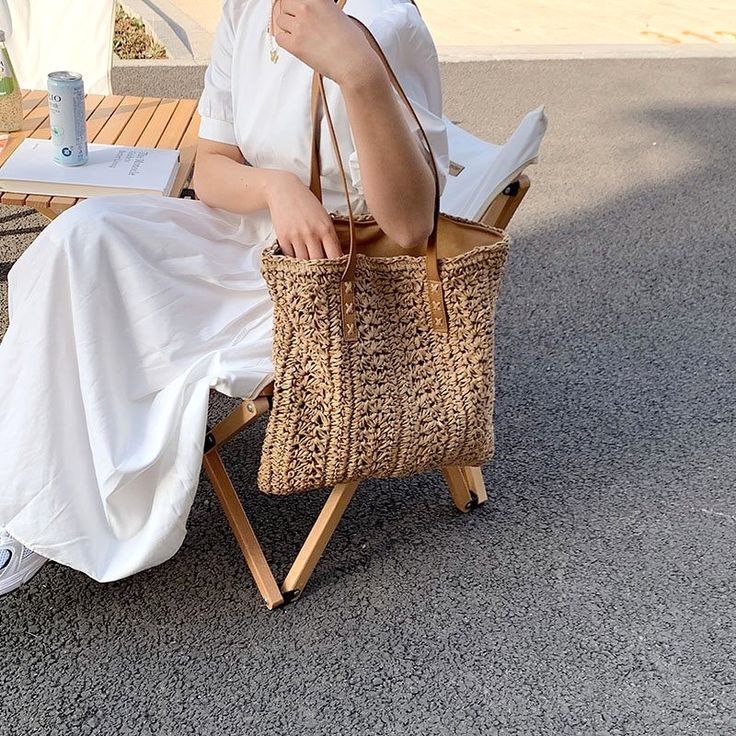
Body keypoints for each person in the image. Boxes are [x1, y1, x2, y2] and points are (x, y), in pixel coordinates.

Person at [0, 0, 449, 595]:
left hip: (338, 274)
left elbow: (414, 225)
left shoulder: (387, 23)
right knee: (78, 240)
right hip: (249, 232)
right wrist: (276, 186)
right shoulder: (247, 9)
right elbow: (210, 170)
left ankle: (45, 510)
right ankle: (26, 489)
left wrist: (358, 73)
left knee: (114, 306)